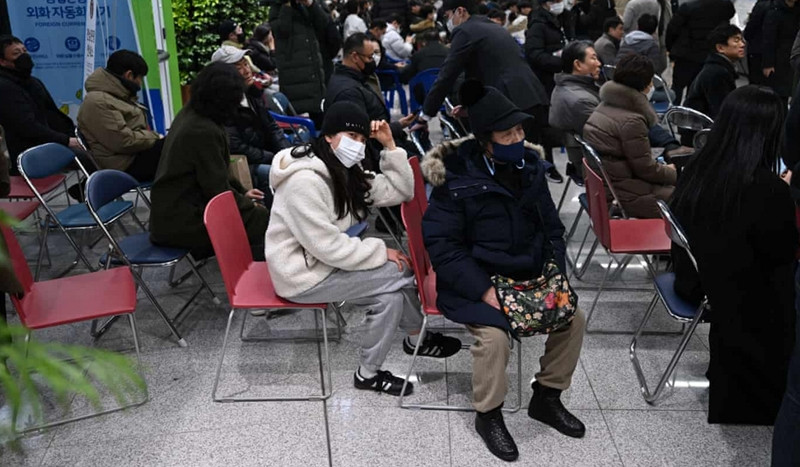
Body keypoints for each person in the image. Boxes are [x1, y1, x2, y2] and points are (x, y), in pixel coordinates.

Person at [422, 80, 586, 462]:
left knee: (573, 317)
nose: (517, 137)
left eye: (520, 130)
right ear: (485, 140)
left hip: (526, 276)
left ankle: (547, 396)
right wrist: (483, 290)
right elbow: (443, 247)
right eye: (507, 132)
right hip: (472, 282)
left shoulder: (529, 167)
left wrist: (555, 278)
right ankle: (488, 414)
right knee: (494, 337)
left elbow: (552, 231)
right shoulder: (456, 177)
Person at [265, 101, 461, 396]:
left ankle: (369, 373)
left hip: (323, 265)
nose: (356, 145)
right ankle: (416, 337)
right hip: (302, 275)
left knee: (390, 299)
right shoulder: (304, 181)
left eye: (360, 139)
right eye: (349, 136)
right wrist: (381, 252)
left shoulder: (344, 169)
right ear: (328, 136)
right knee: (403, 270)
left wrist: (390, 146)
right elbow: (327, 247)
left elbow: (401, 191)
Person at [670, 85, 795, 425]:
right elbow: (782, 252)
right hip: (740, 295)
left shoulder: (700, 165)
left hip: (696, 276)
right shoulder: (764, 189)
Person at [419, 0, 555, 181]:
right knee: (531, 166)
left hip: (511, 102)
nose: (448, 21)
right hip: (531, 94)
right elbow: (485, 69)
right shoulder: (492, 26)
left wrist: (425, 115)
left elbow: (447, 75)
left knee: (514, 169)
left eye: (447, 16)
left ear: (460, 10)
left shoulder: (465, 30)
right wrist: (469, 105)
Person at [149, 63, 269, 260]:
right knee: (261, 220)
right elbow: (217, 189)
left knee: (256, 213)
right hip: (181, 221)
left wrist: (243, 193)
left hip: (175, 211)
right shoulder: (202, 130)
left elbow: (217, 174)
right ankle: (252, 277)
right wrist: (248, 205)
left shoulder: (194, 113)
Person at [583, 54, 677, 218]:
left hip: (609, 188)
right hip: (628, 197)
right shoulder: (631, 121)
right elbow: (646, 169)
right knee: (692, 196)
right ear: (647, 84)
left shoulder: (604, 106)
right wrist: (672, 172)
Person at [210, 46, 291, 195]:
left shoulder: (252, 95)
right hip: (245, 165)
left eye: (245, 64)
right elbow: (237, 147)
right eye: (237, 67)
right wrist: (274, 158)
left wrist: (286, 154)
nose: (246, 71)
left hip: (265, 155)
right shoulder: (222, 106)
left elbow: (273, 128)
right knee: (276, 174)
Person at [77, 50, 163, 183]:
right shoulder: (99, 102)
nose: (140, 83)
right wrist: (155, 137)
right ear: (129, 75)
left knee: (179, 145)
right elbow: (124, 141)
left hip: (132, 155)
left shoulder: (117, 95)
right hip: (123, 165)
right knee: (176, 147)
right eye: (140, 78)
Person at [0, 35, 83, 173]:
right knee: (93, 158)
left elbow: (53, 115)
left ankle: (86, 189)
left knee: (98, 148)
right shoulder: (4, 88)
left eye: (24, 51)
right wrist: (66, 140)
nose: (23, 56)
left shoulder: (33, 82)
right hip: (32, 151)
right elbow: (27, 127)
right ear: (2, 61)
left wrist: (75, 134)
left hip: (50, 142)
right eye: (16, 53)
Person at [325, 34, 417, 154]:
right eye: (369, 57)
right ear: (355, 57)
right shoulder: (349, 92)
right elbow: (363, 134)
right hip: (380, 153)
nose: (373, 61)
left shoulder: (356, 80)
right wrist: (396, 128)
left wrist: (399, 124)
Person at [549, 41, 602, 181]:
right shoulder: (579, 100)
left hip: (591, 157)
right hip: (596, 165)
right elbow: (608, 134)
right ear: (578, 64)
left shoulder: (568, 86)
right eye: (593, 58)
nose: (599, 63)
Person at [269, 0, 329, 122]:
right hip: (295, 80)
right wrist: (286, 5)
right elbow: (282, 30)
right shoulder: (277, 8)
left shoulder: (307, 6)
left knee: (321, 120)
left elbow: (324, 24)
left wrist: (310, 4)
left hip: (315, 77)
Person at [665, 0, 735, 103]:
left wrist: (671, 49)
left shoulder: (688, 7)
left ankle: (674, 113)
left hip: (686, 53)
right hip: (709, 54)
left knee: (677, 87)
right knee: (696, 90)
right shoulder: (725, 6)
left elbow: (673, 29)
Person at [683, 25, 744, 120]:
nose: (742, 44)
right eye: (736, 41)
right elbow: (721, 112)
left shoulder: (717, 67)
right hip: (700, 129)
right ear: (720, 48)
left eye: (741, 40)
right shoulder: (717, 73)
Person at [525, 0, 569, 95]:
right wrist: (561, 62)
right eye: (556, 1)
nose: (560, 4)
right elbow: (534, 54)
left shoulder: (561, 18)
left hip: (562, 75)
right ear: (545, 3)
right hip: (548, 78)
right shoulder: (537, 25)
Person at [761, 0, 800, 101]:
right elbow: (768, 39)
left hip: (794, 54)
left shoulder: (796, 10)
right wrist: (768, 63)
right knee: (780, 93)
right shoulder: (774, 11)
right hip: (779, 56)